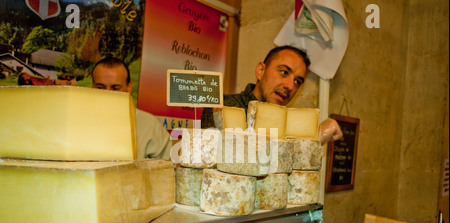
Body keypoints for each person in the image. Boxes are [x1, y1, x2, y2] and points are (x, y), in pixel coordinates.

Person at [201, 45, 343, 144]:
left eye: (297, 81)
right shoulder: (221, 106)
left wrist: (316, 137)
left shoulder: (292, 125)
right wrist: (316, 138)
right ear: (260, 71)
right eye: (284, 72)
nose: (290, 86)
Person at [91, 57, 172, 160]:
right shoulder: (76, 122)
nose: (108, 93)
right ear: (92, 86)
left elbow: (167, 168)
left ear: (128, 87)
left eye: (115, 88)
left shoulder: (149, 125)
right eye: (100, 87)